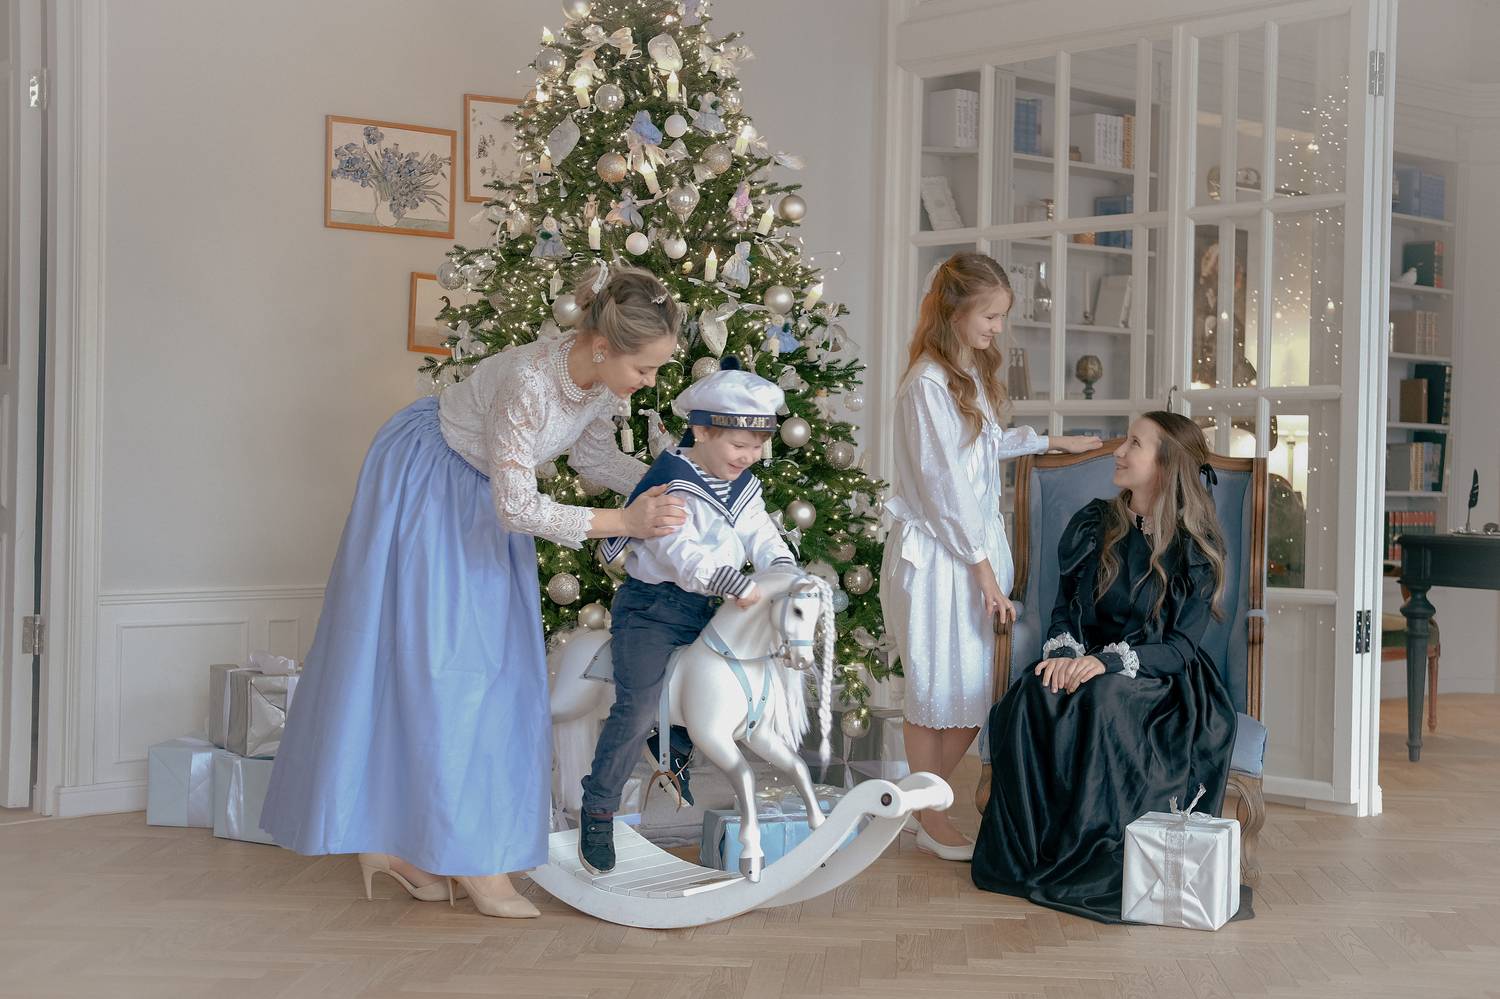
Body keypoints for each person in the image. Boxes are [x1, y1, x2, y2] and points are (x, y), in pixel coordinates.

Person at [260, 265, 688, 917]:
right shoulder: (529, 384)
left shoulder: (601, 385)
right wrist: (625, 522)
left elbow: (593, 459)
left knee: (492, 673)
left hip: (480, 500)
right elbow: (516, 506)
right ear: (603, 347)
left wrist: (672, 484)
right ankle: (460, 854)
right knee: (447, 670)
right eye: (645, 368)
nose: (650, 382)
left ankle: (412, 846)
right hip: (432, 490)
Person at [970, 411, 1239, 923]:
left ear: (1165, 465)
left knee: (1105, 695)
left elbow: (1180, 647)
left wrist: (1109, 662)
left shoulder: (1195, 547)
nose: (1119, 451)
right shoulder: (1094, 524)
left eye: (1134, 443)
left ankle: (1096, 860)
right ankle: (1031, 859)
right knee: (1035, 691)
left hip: (1160, 679)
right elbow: (1066, 607)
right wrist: (1066, 653)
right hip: (1086, 659)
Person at [880, 251, 1099, 861]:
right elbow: (943, 487)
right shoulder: (927, 384)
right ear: (955, 311)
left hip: (972, 553)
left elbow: (979, 446)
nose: (998, 328)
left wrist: (1051, 440)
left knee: (977, 686)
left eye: (1002, 316)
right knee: (937, 687)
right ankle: (926, 811)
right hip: (943, 559)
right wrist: (983, 574)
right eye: (991, 316)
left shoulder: (963, 374)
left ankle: (917, 804)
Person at [577, 362, 798, 875]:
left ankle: (677, 741)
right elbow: (681, 552)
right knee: (637, 705)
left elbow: (762, 534)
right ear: (701, 431)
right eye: (738, 445)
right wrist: (731, 581)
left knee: (738, 678)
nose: (749, 457)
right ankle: (599, 807)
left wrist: (782, 570)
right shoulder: (671, 483)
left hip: (705, 609)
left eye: (757, 447)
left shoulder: (740, 486)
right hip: (653, 609)